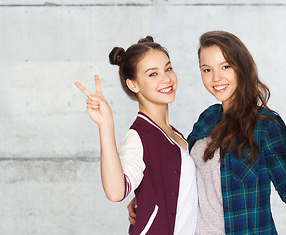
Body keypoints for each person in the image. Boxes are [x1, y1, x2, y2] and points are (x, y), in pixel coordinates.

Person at [128, 30, 286, 235]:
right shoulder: (207, 119)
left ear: (241, 68)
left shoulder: (264, 125)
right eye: (207, 69)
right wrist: (146, 196)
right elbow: (185, 174)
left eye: (225, 66)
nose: (217, 78)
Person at [75, 36, 198, 235]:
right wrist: (106, 125)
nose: (166, 79)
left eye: (168, 69)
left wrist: (144, 197)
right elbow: (116, 192)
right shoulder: (139, 135)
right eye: (152, 74)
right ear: (133, 85)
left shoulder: (176, 135)